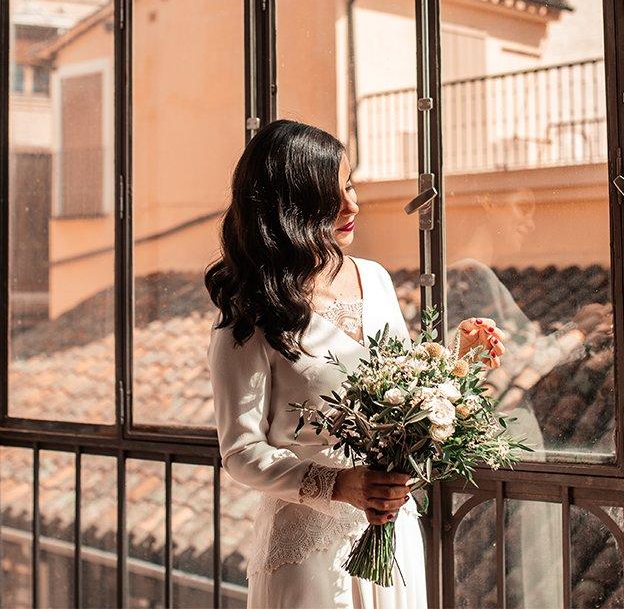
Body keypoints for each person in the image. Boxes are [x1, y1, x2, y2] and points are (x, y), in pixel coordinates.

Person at [205, 120, 506, 608]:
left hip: (393, 533)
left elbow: (400, 396)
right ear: (288, 208)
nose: (352, 205)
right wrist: (338, 485)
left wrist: (457, 364)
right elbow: (240, 451)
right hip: (307, 554)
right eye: (329, 196)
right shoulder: (248, 317)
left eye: (349, 185)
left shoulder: (376, 280)